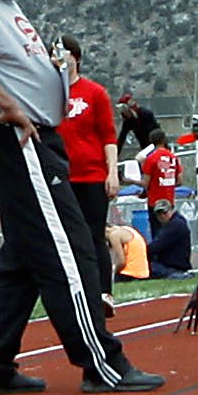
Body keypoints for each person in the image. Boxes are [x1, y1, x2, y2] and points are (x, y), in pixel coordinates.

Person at [0, 0, 164, 395]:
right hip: (15, 139)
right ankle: (102, 363)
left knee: (22, 258)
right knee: (70, 249)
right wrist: (10, 103)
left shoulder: (7, 7)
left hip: (34, 138)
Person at [57, 35, 119, 308]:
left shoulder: (95, 93)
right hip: (61, 177)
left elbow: (108, 136)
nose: (60, 58)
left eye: (65, 53)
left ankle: (104, 292)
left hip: (92, 176)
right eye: (55, 54)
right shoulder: (49, 95)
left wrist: (112, 172)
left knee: (94, 235)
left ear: (76, 58)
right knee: (68, 238)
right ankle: (75, 293)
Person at [137, 128, 182, 234]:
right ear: (164, 140)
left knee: (157, 233)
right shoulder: (173, 158)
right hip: (169, 201)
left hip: (155, 202)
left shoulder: (151, 159)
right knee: (170, 232)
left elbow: (145, 183)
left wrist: (127, 180)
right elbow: (179, 181)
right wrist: (167, 184)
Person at [146, 198, 192, 277]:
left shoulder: (175, 225)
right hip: (173, 266)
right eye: (159, 213)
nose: (162, 216)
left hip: (172, 268)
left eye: (164, 212)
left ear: (171, 210)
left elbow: (155, 246)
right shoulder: (177, 222)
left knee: (142, 268)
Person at [115, 91, 158, 155]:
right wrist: (115, 155)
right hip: (144, 148)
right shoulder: (128, 121)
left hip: (155, 146)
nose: (123, 113)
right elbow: (122, 138)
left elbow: (156, 132)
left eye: (124, 110)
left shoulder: (146, 114)